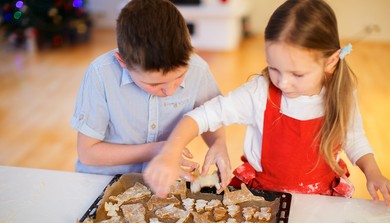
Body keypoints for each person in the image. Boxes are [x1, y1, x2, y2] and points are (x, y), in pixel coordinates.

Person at [144, 0, 390, 205]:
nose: (282, 82)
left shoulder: (343, 92)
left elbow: (354, 138)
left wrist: (373, 172)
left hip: (320, 199)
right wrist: (170, 151)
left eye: (297, 74)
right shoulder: (259, 93)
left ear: (331, 61)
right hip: (263, 198)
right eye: (274, 69)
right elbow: (202, 116)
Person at [70, 0, 230, 178]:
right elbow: (88, 153)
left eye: (179, 77)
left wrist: (218, 142)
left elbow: (210, 114)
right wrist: (158, 150)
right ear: (123, 62)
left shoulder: (198, 69)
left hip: (160, 180)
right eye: (154, 84)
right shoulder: (100, 75)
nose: (169, 91)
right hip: (101, 180)